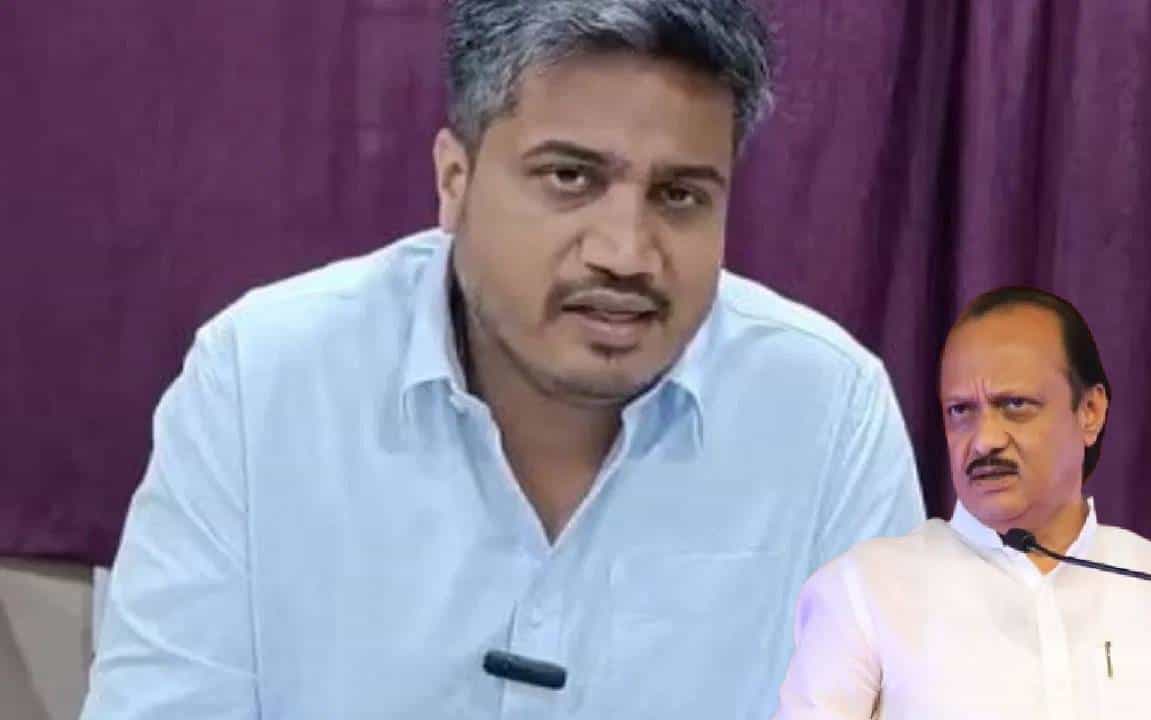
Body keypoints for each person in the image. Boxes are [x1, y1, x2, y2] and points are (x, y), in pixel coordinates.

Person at [81, 1, 926, 718]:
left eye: (679, 196)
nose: (626, 253)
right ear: (455, 180)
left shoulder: (827, 413)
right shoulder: (261, 380)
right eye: (570, 178)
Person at [773, 286, 1151, 719]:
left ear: (1090, 411)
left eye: (1014, 405)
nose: (984, 440)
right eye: (961, 411)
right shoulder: (863, 590)